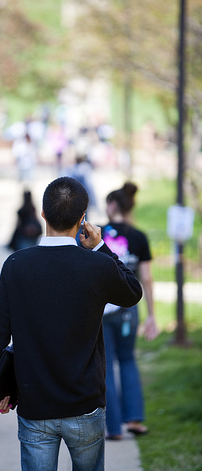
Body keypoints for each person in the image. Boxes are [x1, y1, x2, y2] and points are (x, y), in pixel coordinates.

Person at [0, 177, 143, 471]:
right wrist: (101, 247)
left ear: (43, 214)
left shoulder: (16, 264)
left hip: (34, 400)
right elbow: (132, 292)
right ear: (83, 219)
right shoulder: (97, 265)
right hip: (85, 402)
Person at [101, 182, 159, 440]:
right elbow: (146, 278)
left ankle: (113, 428)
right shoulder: (139, 236)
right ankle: (135, 419)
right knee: (127, 360)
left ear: (112, 205)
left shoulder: (96, 234)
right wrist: (152, 316)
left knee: (106, 367)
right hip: (130, 309)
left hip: (101, 312)